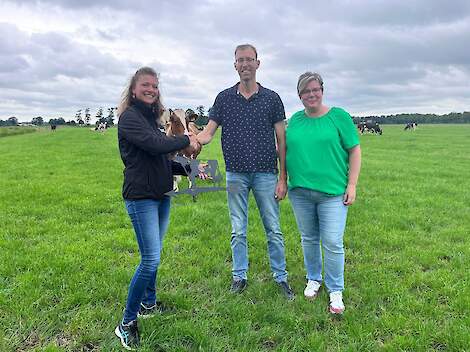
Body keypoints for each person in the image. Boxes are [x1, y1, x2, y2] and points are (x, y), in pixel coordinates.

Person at [197, 44, 294, 300]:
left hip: (266, 173)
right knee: (238, 229)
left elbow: (282, 140)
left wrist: (283, 177)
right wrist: (193, 139)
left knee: (273, 227)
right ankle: (239, 276)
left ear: (258, 64)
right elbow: (208, 132)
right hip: (236, 173)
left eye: (250, 60)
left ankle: (281, 277)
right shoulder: (224, 98)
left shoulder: (272, 99)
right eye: (241, 61)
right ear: (235, 66)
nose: (245, 65)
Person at [115, 67, 201, 350]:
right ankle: (126, 323)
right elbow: (155, 146)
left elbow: (162, 159)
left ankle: (148, 304)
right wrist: (186, 140)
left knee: (155, 253)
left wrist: (190, 168)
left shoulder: (151, 119)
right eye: (145, 85)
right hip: (141, 198)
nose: (151, 89)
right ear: (134, 89)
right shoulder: (130, 118)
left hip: (161, 194)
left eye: (155, 85)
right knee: (150, 259)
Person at [286, 72, 361, 314]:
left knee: (332, 241)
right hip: (300, 191)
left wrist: (352, 185)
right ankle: (314, 278)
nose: (311, 94)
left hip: (332, 193)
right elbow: (284, 151)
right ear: (299, 95)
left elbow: (355, 151)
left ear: (322, 90)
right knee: (308, 238)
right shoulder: (295, 120)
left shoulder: (338, 117)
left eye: (315, 89)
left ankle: (336, 289)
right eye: (306, 91)